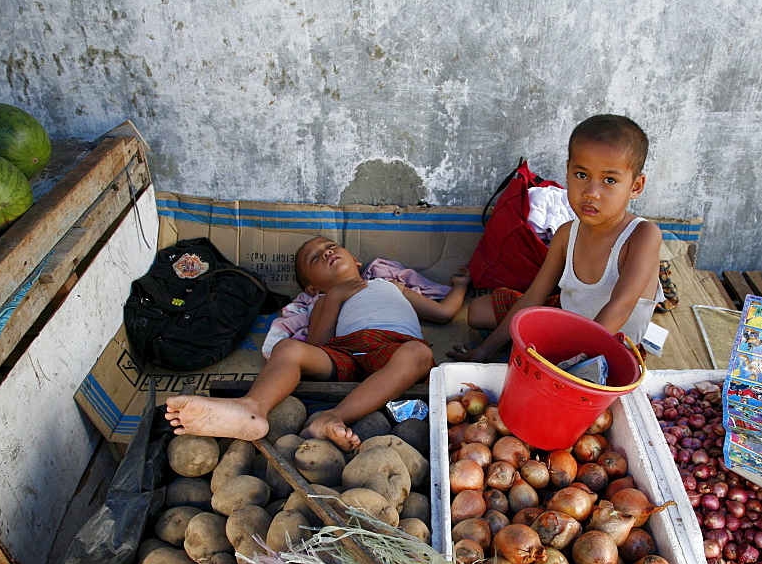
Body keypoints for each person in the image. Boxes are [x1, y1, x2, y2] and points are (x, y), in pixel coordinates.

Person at [165, 236, 470, 451]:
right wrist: (334, 297)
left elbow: (443, 313)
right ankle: (252, 408)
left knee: (419, 352)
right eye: (316, 258)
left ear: (356, 260)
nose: (326, 253)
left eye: (331, 247)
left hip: (395, 350)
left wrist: (460, 287)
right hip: (346, 354)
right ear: (311, 286)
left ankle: (334, 416)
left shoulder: (388, 285)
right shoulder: (322, 300)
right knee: (288, 348)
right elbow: (319, 345)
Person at [448, 114, 663, 362]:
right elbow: (532, 297)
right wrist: (485, 350)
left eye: (610, 180)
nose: (591, 193)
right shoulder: (566, 233)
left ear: (636, 186)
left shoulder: (642, 235)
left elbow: (621, 307)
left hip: (613, 344)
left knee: (605, 393)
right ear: (568, 170)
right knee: (478, 311)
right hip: (568, 323)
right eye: (581, 175)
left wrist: (570, 361)